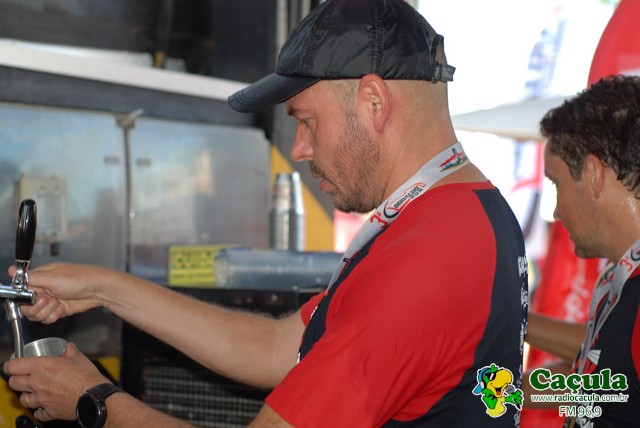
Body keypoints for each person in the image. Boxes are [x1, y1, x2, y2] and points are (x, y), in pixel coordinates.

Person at [3, 0, 528, 426]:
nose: (298, 148)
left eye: (305, 120)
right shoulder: (467, 213)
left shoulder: (429, 256)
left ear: (374, 101)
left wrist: (94, 401)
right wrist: (104, 288)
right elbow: (280, 347)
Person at [523, 74, 640, 427]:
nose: (556, 211)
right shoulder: (619, 280)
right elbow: (599, 384)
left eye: (556, 184)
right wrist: (490, 393)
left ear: (592, 174)